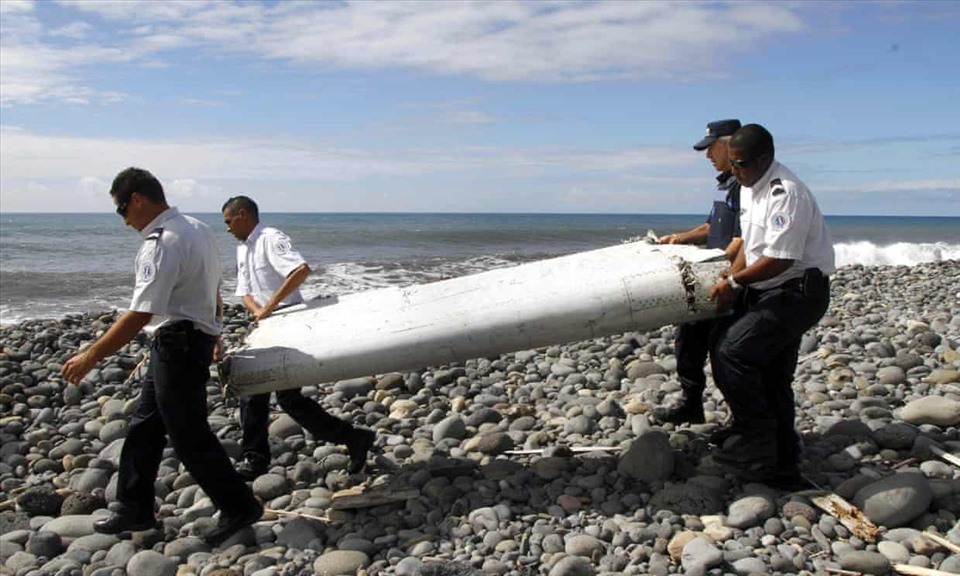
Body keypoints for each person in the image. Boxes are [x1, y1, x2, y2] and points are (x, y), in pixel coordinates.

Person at [61, 168, 262, 546]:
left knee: (188, 435)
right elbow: (211, 285)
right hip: (185, 339)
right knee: (145, 426)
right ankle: (133, 506)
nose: (124, 221)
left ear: (137, 199)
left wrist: (91, 355)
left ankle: (238, 505)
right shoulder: (197, 229)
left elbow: (140, 314)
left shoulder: (163, 240)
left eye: (121, 210)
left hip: (178, 344)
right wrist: (213, 328)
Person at [705, 124, 835, 488]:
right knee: (763, 368)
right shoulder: (749, 186)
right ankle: (781, 461)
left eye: (741, 165)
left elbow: (779, 258)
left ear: (765, 159)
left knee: (735, 352)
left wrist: (734, 282)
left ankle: (758, 443)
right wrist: (733, 277)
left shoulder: (786, 194)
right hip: (769, 289)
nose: (734, 172)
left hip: (797, 292)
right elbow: (750, 240)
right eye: (731, 165)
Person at [221, 196, 375, 479]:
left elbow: (299, 270)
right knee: (271, 395)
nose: (227, 228)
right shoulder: (242, 249)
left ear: (242, 215)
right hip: (265, 325)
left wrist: (269, 308)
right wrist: (258, 312)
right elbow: (244, 289)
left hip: (288, 320)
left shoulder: (271, 238)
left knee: (273, 394)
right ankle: (352, 438)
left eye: (229, 222)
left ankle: (255, 459)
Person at [653, 119, 744, 425]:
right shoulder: (724, 186)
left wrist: (725, 277)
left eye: (711, 149)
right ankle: (691, 403)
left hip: (730, 280)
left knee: (725, 352)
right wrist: (677, 239)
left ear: (730, 145)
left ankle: (740, 419)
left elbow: (742, 240)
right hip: (710, 276)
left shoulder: (745, 187)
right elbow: (709, 228)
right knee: (688, 341)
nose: (707, 157)